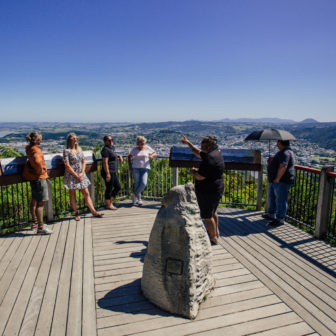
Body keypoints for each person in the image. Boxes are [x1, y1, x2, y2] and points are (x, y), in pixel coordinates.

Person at [181, 134, 225, 245]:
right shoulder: (216, 153)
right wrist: (188, 143)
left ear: (209, 144)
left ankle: (213, 238)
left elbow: (200, 176)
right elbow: (198, 152)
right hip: (217, 188)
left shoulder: (209, 158)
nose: (201, 146)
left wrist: (193, 172)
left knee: (207, 216)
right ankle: (216, 232)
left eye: (203, 144)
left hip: (208, 190)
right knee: (213, 211)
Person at [63, 133, 103, 220]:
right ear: (70, 140)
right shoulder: (66, 151)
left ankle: (93, 211)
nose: (76, 139)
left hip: (81, 174)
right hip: (72, 175)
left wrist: (81, 173)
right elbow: (67, 165)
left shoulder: (79, 149)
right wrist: (76, 175)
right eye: (74, 138)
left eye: (76, 138)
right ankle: (76, 213)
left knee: (86, 193)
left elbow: (84, 162)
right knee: (72, 194)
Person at [23, 131, 53, 234]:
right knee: (41, 203)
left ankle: (36, 222)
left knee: (35, 200)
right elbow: (37, 162)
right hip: (39, 178)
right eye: (41, 138)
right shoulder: (36, 150)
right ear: (37, 140)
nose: (42, 139)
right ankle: (41, 228)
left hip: (33, 178)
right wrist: (42, 171)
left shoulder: (29, 148)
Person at [263, 140, 295, 226]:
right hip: (277, 181)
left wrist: (277, 178)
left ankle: (280, 219)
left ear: (281, 143)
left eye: (278, 143)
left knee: (281, 200)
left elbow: (283, 166)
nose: (277, 144)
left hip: (281, 181)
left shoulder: (285, 153)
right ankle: (271, 214)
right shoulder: (286, 152)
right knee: (272, 197)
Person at [128, 136, 156, 205]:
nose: (143, 144)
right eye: (141, 143)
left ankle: (135, 195)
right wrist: (130, 166)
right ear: (138, 143)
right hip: (136, 168)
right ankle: (139, 199)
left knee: (143, 183)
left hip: (144, 168)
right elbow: (129, 156)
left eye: (143, 143)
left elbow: (154, 153)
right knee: (137, 184)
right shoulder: (134, 149)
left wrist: (151, 156)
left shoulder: (147, 148)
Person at [101, 135, 123, 210]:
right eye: (109, 140)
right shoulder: (105, 150)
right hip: (108, 172)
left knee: (118, 187)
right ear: (105, 141)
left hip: (113, 172)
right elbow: (105, 162)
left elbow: (113, 154)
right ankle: (108, 204)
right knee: (109, 188)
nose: (111, 141)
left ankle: (110, 202)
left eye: (112, 140)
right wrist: (107, 174)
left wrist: (119, 156)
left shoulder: (112, 148)